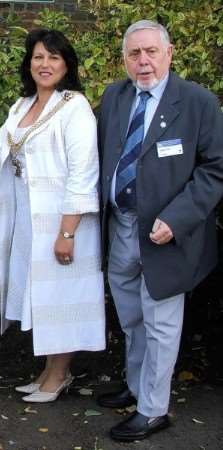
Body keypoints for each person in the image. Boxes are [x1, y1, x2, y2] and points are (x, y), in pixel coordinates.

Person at [0, 29, 105, 403]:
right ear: (28, 62)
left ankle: (59, 375)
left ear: (67, 64)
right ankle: (49, 371)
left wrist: (67, 233)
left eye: (53, 58)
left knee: (61, 295)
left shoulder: (74, 108)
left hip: (64, 223)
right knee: (42, 297)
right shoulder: (22, 105)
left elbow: (84, 175)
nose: (44, 65)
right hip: (29, 221)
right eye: (38, 57)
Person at [97, 20, 223, 441]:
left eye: (151, 51)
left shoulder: (197, 102)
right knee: (130, 316)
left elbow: (215, 169)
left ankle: (153, 409)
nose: (143, 61)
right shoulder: (114, 96)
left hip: (168, 234)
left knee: (161, 323)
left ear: (169, 54)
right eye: (134, 54)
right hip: (122, 227)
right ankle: (136, 386)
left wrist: (179, 217)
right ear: (124, 59)